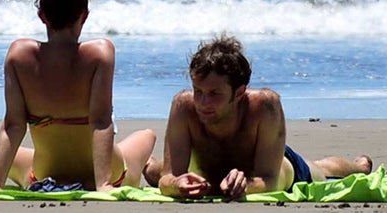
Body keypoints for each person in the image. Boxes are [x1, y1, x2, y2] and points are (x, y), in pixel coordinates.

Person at [0, 0, 157, 191]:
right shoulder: (99, 53)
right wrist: (103, 184)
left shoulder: (19, 56)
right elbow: (100, 121)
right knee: (146, 136)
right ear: (84, 16)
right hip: (103, 175)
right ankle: (148, 165)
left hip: (46, 176)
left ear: (42, 16)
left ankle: (17, 176)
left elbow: (14, 125)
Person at [151, 34, 372, 200]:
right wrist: (176, 183)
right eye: (198, 91)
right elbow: (167, 178)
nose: (203, 102)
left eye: (214, 94)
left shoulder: (265, 105)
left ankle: (360, 166)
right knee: (154, 171)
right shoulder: (183, 106)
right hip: (206, 167)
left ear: (239, 93)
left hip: (272, 167)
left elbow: (271, 180)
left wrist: (245, 185)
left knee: (321, 169)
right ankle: (145, 162)